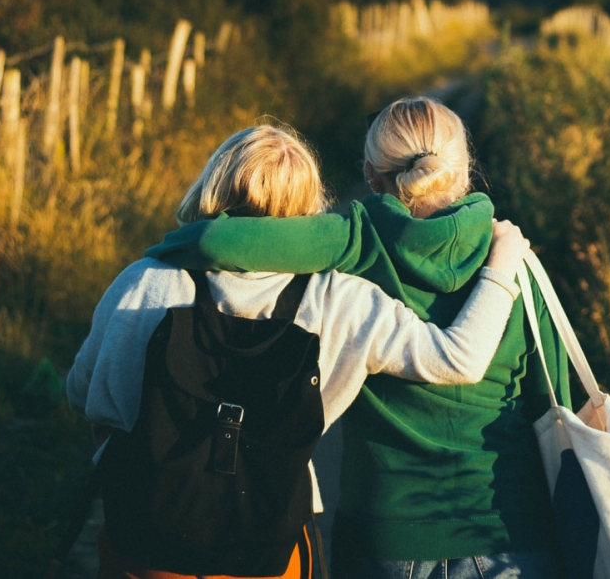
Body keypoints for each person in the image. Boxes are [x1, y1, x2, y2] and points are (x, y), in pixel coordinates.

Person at [66, 124, 534, 579]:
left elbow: (86, 392)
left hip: (148, 534)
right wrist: (502, 265)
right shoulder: (340, 299)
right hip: (273, 539)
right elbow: (456, 358)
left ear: (212, 185)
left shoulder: (146, 280)